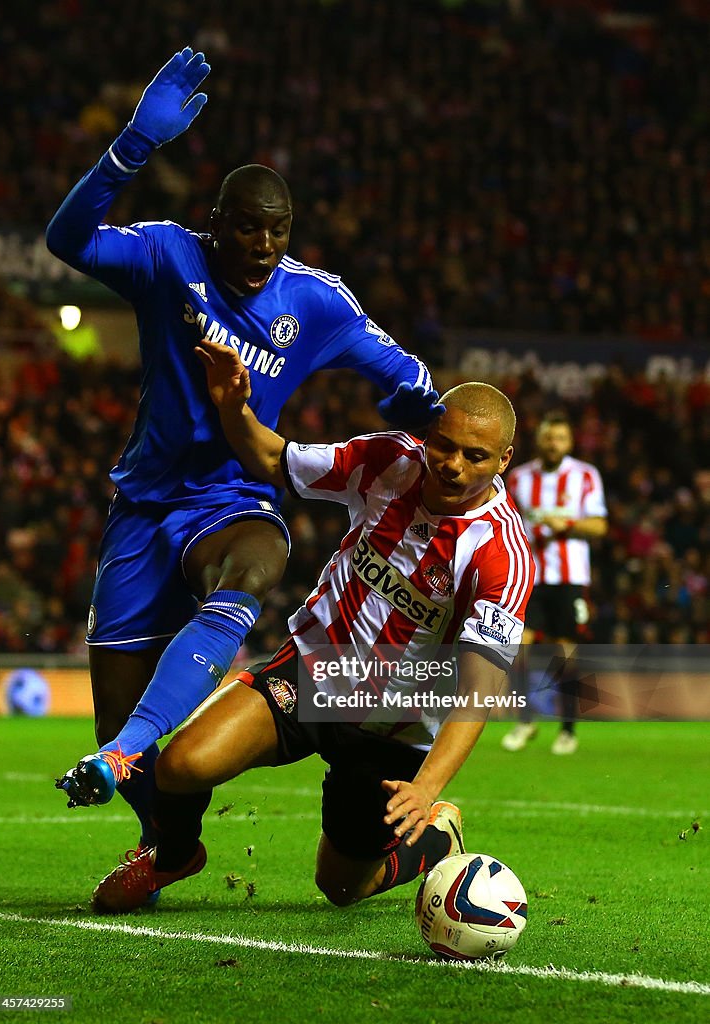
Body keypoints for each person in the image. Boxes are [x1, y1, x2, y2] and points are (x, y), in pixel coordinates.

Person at [48, 50, 440, 854]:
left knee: (255, 565)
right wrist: (131, 147)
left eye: (279, 228)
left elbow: (410, 379)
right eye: (248, 226)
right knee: (119, 724)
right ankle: (171, 842)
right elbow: (68, 240)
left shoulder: (316, 300)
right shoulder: (166, 256)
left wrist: (423, 419)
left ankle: (127, 757)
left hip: (233, 499)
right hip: (142, 507)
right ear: (216, 223)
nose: (264, 243)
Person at [80, 341, 534, 912]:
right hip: (311, 671)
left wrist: (427, 788)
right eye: (444, 444)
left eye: (475, 455)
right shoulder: (387, 461)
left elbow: (479, 689)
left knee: (342, 888)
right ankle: (170, 855)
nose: (453, 464)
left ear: (504, 460)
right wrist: (233, 408)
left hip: (390, 727)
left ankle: (437, 837)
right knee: (182, 765)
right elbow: (277, 461)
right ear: (428, 432)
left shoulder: (501, 551)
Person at [501, 413, 608, 755]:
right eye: (548, 437)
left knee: (565, 652)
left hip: (569, 578)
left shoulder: (585, 476)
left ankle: (568, 730)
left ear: (569, 442)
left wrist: (567, 523)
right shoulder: (518, 478)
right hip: (529, 576)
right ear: (540, 440)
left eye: (560, 438)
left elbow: (599, 527)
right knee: (519, 646)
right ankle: (525, 721)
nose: (553, 444)